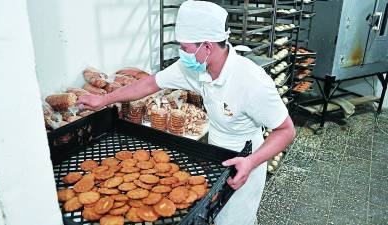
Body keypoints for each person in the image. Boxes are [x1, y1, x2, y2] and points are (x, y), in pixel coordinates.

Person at [77, 1, 296, 224]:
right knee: (213, 214)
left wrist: (251, 162)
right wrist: (103, 99)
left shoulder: (251, 82)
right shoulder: (193, 68)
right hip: (215, 151)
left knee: (234, 219)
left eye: (185, 48)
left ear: (207, 47)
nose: (182, 54)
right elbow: (149, 84)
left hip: (246, 158)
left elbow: (286, 130)